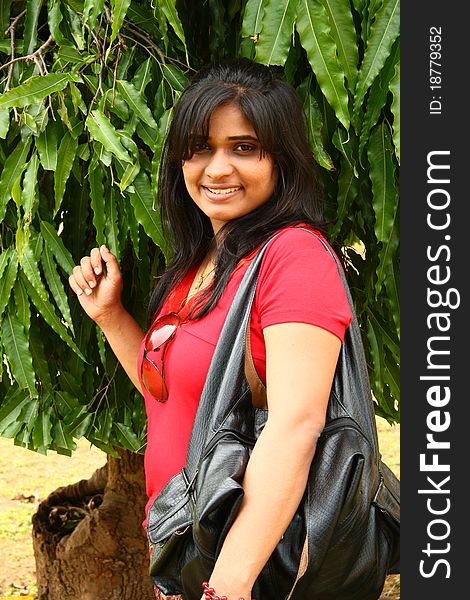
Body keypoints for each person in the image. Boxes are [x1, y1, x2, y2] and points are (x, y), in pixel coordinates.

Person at [69, 58, 352, 600]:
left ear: (281, 159)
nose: (217, 169)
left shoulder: (293, 256)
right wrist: (111, 317)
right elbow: (175, 399)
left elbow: (297, 421)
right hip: (185, 548)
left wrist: (228, 584)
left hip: (251, 568)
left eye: (243, 147)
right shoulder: (200, 262)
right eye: (200, 148)